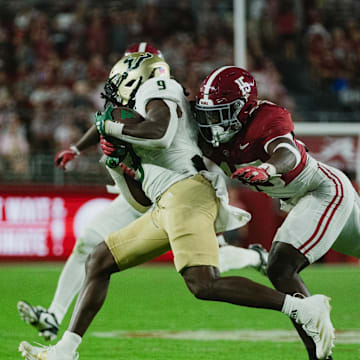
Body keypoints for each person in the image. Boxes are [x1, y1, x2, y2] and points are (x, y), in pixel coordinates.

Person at [19, 52, 334, 360]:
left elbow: (160, 132)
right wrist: (118, 161)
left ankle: (303, 308)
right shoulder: (135, 121)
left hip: (187, 193)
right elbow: (140, 198)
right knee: (99, 260)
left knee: (203, 283)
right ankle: (65, 349)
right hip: (166, 202)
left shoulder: (159, 88)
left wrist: (113, 129)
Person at [194, 65, 360, 360]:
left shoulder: (267, 116)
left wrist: (266, 168)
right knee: (280, 267)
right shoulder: (210, 140)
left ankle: (320, 357)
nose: (213, 121)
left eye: (222, 112)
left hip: (323, 191)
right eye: (209, 113)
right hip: (300, 201)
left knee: (281, 267)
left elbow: (288, 153)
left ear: (244, 108)